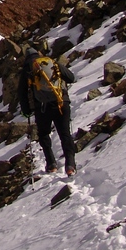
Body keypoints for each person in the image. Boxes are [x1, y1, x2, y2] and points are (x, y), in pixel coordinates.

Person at [18, 44, 77, 175]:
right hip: (61, 103)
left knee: (44, 134)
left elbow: (22, 92)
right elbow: (71, 77)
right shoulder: (51, 62)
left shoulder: (28, 68)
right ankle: (70, 165)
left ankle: (51, 164)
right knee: (65, 134)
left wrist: (26, 111)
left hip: (42, 107)